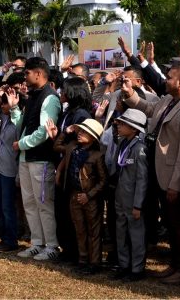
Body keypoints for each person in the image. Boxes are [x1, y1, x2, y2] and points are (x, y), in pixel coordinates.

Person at [121, 64, 180, 285]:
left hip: (174, 176)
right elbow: (149, 109)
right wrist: (130, 95)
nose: (165, 80)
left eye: (169, 77)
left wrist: (177, 183)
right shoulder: (167, 100)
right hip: (160, 171)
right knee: (171, 223)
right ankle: (175, 265)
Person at [9, 57, 63, 261]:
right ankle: (37, 243)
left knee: (44, 203)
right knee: (30, 203)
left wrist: (22, 144)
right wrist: (14, 109)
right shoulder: (32, 96)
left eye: (27, 73)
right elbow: (22, 126)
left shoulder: (50, 98)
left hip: (41, 159)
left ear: (38, 73)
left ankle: (52, 246)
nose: (25, 77)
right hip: (26, 158)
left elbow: (44, 131)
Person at [52, 118, 106, 275]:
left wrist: (89, 195)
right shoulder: (72, 147)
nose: (80, 133)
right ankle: (82, 260)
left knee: (93, 231)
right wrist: (65, 132)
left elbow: (103, 180)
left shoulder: (97, 155)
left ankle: (94, 263)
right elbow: (56, 146)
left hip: (90, 198)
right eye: (80, 130)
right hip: (74, 194)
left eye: (84, 132)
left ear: (93, 137)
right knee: (80, 229)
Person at [107, 108, 149, 282]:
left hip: (133, 201)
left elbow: (142, 179)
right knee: (121, 232)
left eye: (123, 124)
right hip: (120, 197)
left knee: (136, 234)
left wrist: (138, 204)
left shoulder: (139, 149)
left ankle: (137, 268)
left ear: (133, 128)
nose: (119, 126)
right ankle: (124, 265)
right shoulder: (122, 143)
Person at [0, 86, 20, 253]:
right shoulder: (3, 118)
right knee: (0, 205)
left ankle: (11, 240)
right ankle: (4, 238)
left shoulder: (18, 121)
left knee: (8, 207)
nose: (2, 106)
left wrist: (14, 105)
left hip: (10, 169)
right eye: (2, 103)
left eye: (5, 103)